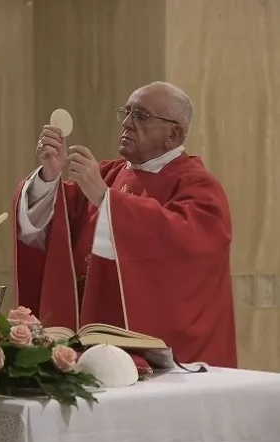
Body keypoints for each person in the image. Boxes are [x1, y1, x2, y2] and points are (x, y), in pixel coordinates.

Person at [13, 81, 237, 367]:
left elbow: (185, 249)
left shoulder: (198, 186)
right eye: (127, 113)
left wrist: (107, 200)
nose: (127, 124)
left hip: (162, 356)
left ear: (174, 134)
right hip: (91, 343)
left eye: (141, 116)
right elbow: (52, 231)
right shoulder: (108, 174)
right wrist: (49, 177)